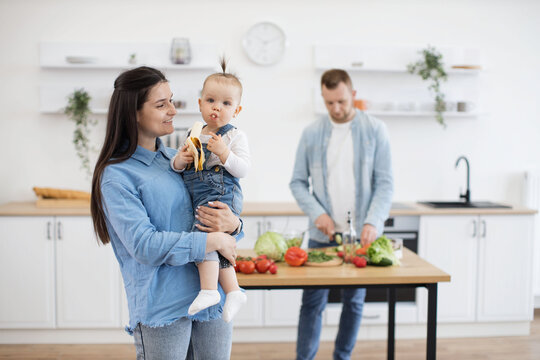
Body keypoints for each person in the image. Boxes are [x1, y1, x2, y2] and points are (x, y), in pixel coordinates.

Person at [90, 66, 242, 360]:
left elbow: (220, 215)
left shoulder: (180, 159)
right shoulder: (117, 176)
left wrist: (234, 224)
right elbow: (144, 245)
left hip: (211, 300)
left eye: (171, 100)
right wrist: (213, 242)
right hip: (164, 306)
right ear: (132, 112)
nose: (173, 110)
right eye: (161, 104)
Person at [289, 69, 393, 360]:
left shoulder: (376, 130)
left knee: (354, 302)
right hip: (322, 235)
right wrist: (317, 213)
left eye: (342, 101)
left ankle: (342, 356)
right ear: (323, 98)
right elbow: (297, 181)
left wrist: (373, 221)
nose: (336, 108)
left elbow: (385, 183)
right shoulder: (311, 134)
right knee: (312, 303)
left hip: (360, 236)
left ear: (353, 95)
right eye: (329, 102)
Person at [171, 59, 249, 322]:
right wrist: (181, 159)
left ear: (236, 110)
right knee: (213, 243)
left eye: (226, 103)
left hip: (223, 194)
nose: (217, 107)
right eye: (211, 100)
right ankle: (233, 290)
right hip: (201, 197)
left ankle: (209, 290)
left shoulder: (234, 136)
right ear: (200, 104)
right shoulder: (195, 133)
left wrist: (224, 153)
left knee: (205, 238)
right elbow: (177, 166)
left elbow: (243, 169)